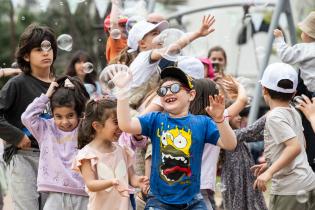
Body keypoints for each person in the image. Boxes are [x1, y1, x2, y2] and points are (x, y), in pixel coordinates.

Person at [107, 64, 237, 209]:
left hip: (193, 201)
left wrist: (220, 119)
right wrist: (122, 91)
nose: (168, 93)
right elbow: (126, 125)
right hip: (159, 201)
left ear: (191, 95)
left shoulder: (203, 123)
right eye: (163, 90)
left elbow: (230, 144)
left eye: (175, 88)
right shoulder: (155, 120)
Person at [0, 23, 56, 210]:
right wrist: (16, 136)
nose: (45, 53)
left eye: (48, 48)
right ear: (26, 55)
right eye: (38, 50)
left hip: (54, 158)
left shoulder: (61, 85)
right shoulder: (17, 84)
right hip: (23, 156)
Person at [252, 63, 315, 210]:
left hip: (289, 189)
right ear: (293, 94)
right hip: (308, 182)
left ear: (264, 90)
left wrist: (269, 173)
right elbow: (302, 144)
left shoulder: (274, 117)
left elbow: (294, 147)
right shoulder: (292, 111)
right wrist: (271, 163)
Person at [21, 76, 89, 209]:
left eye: (70, 115)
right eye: (59, 116)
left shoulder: (85, 128)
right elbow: (26, 117)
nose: (65, 122)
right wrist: (46, 96)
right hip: (55, 194)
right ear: (52, 113)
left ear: (78, 113)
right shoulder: (45, 128)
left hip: (84, 194)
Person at [72, 97, 149, 210]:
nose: (121, 127)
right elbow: (91, 184)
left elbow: (131, 177)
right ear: (97, 126)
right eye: (116, 122)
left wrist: (138, 181)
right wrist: (111, 182)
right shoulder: (87, 155)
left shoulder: (123, 150)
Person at [273, 11, 315, 96]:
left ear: (307, 34)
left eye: (302, 31)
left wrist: (280, 39)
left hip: (311, 91)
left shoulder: (303, 49)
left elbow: (285, 56)